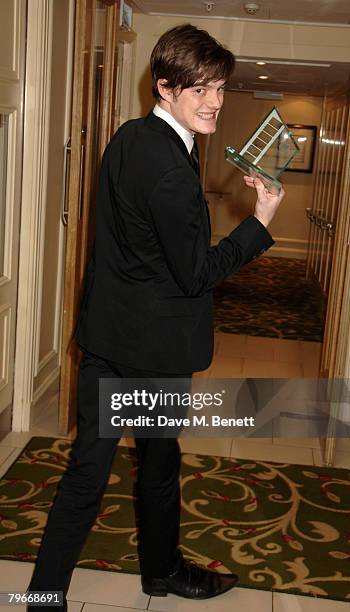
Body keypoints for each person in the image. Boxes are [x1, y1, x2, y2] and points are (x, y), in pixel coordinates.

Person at [28, 23, 284, 608]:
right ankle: (161, 571)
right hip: (151, 353)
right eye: (201, 91)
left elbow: (129, 244)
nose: (216, 102)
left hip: (108, 339)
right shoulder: (171, 168)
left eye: (221, 88)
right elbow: (197, 273)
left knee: (89, 473)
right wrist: (260, 221)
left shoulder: (129, 137)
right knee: (157, 467)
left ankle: (47, 595)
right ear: (165, 87)